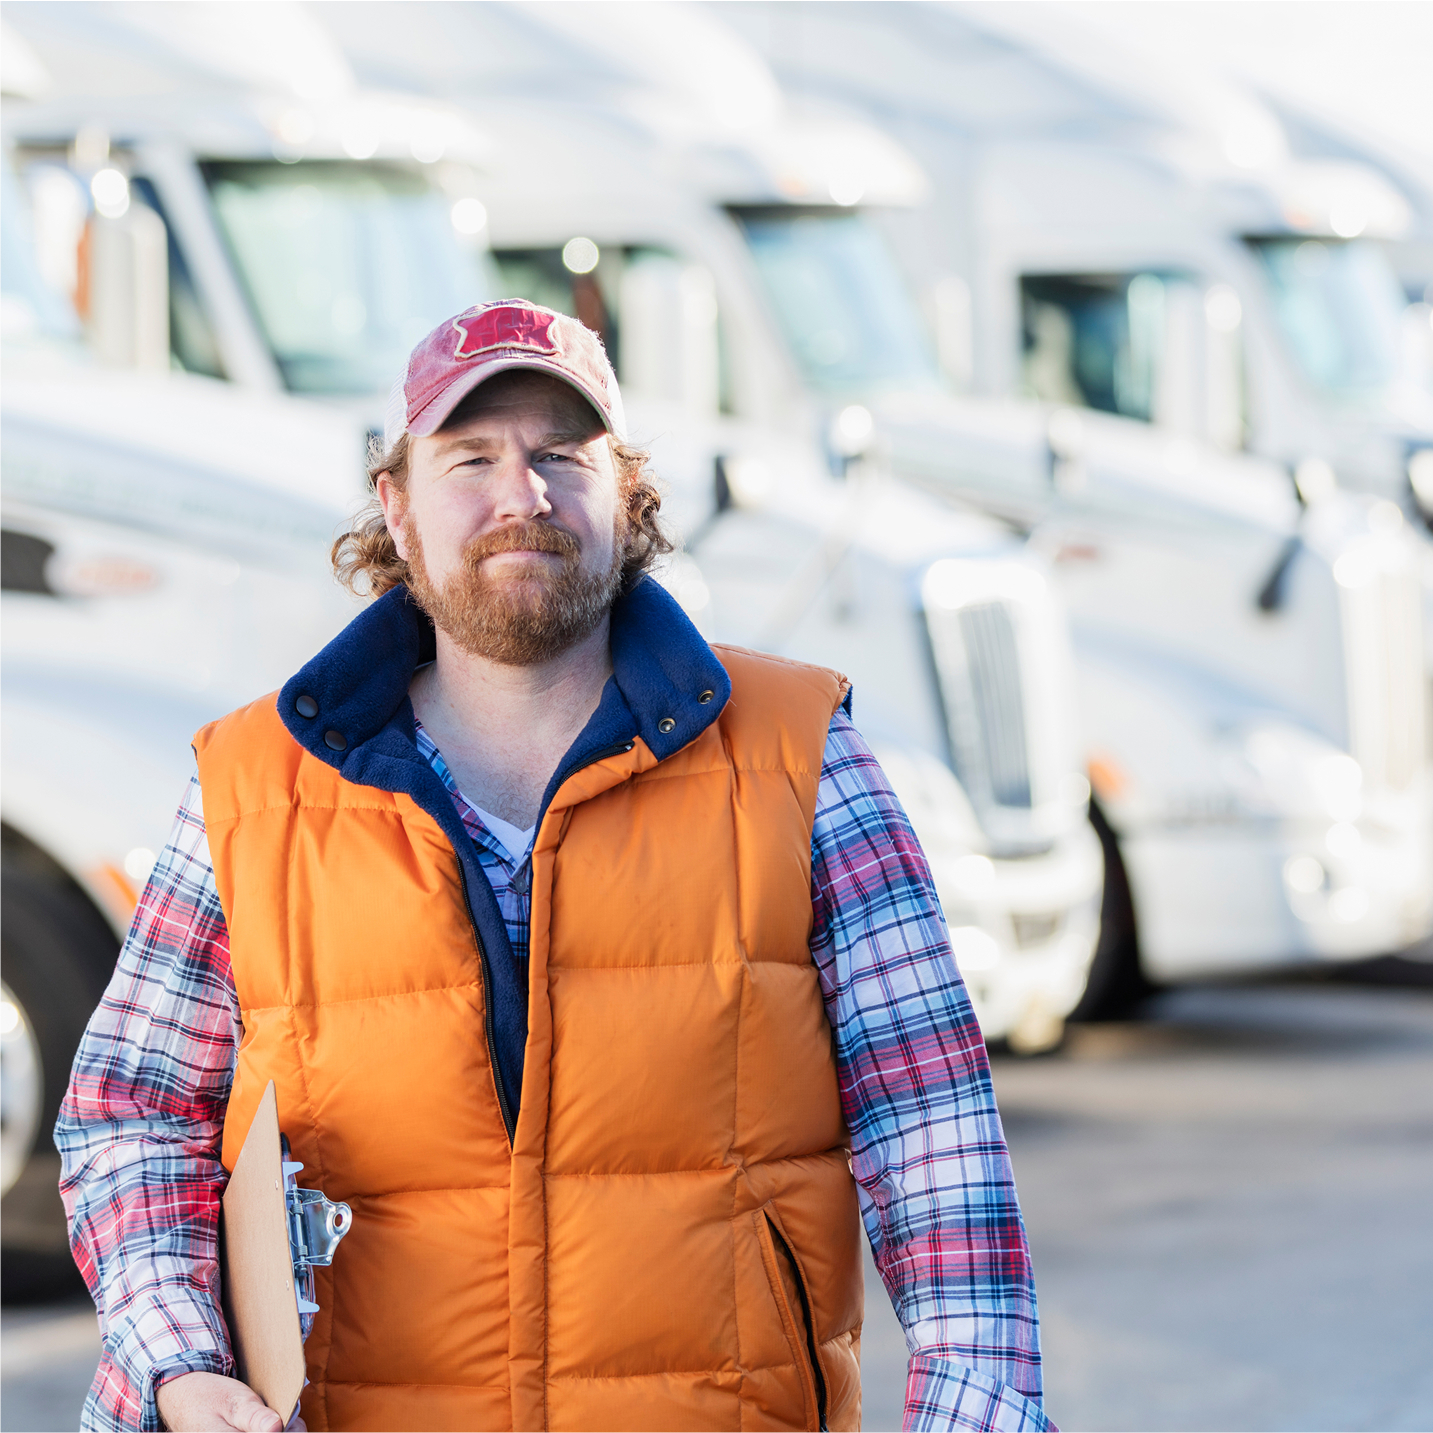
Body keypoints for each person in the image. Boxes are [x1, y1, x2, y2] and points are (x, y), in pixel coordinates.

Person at [58, 300, 1052, 1433]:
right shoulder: (251, 786)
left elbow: (932, 1126)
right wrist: (178, 1360)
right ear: (397, 503)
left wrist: (975, 1406)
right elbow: (132, 1114)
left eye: (558, 455)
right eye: (470, 456)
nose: (519, 495)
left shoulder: (802, 755)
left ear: (625, 498)